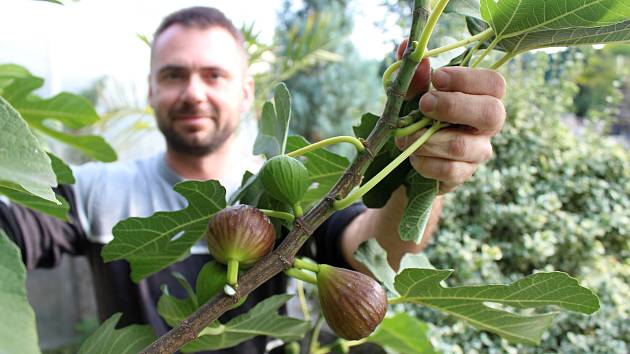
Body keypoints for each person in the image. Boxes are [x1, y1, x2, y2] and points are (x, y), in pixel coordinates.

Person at [0, 6, 505, 353]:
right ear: (150, 91)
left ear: (246, 92)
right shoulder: (94, 191)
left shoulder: (293, 197)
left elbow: (374, 250)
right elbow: (12, 222)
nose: (193, 92)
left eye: (213, 75)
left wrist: (421, 174)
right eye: (173, 75)